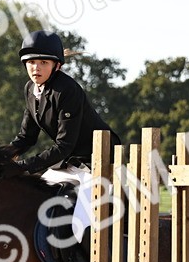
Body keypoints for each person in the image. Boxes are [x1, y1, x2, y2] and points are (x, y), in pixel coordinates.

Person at [9, 30, 121, 248]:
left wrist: (23, 166)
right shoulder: (31, 89)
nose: (36, 68)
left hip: (96, 163)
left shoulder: (67, 90)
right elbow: (25, 138)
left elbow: (63, 145)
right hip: (68, 164)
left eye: (43, 62)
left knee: (80, 226)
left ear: (56, 66)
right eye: (31, 62)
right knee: (32, 203)